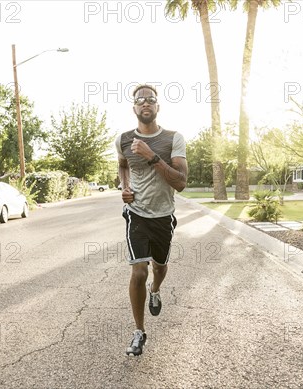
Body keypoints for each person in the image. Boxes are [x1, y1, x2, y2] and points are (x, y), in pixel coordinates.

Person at [115, 84, 187, 356]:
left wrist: (151, 156)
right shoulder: (122, 139)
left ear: (158, 107)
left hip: (163, 215)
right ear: (134, 107)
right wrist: (125, 186)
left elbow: (180, 183)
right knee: (138, 271)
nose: (146, 103)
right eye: (140, 100)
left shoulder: (173, 139)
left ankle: (156, 290)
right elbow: (123, 165)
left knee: (159, 267)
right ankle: (138, 332)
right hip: (137, 214)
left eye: (151, 100)